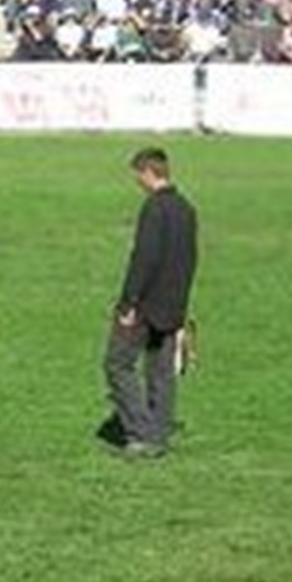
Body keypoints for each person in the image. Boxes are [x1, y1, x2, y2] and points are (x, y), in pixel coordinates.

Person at [104, 147, 198, 459]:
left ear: (148, 172)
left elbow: (144, 259)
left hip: (147, 305)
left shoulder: (153, 209)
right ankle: (159, 433)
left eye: (137, 176)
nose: (137, 182)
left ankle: (140, 432)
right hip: (173, 304)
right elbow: (190, 260)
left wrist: (128, 303)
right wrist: (182, 304)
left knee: (117, 364)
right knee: (161, 370)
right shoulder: (186, 209)